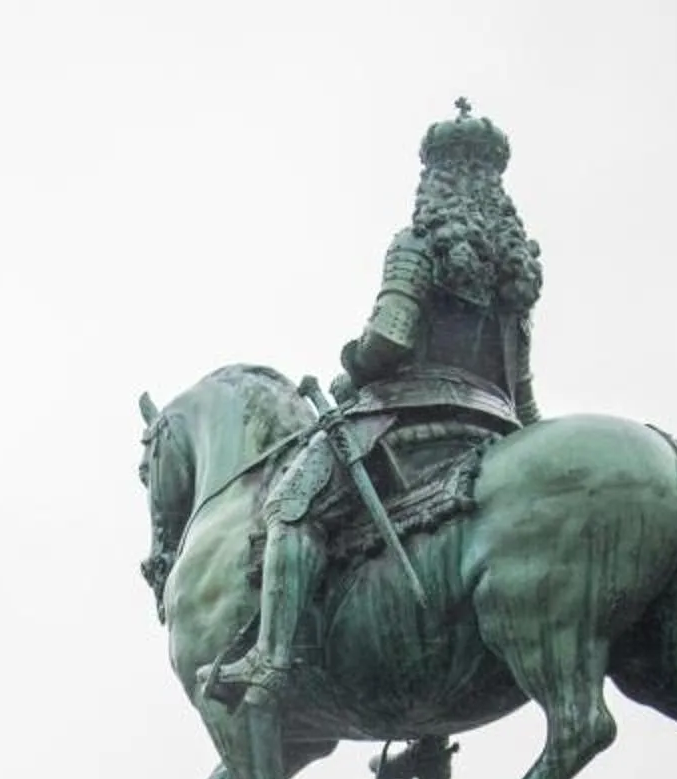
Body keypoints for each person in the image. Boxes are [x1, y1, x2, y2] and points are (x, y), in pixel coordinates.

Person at [206, 100, 544, 722]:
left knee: (289, 506)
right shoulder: (516, 274)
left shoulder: (419, 244)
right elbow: (522, 393)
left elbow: (387, 340)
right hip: (493, 433)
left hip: (407, 421)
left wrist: (349, 369)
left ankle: (271, 658)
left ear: (434, 179)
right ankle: (431, 727)